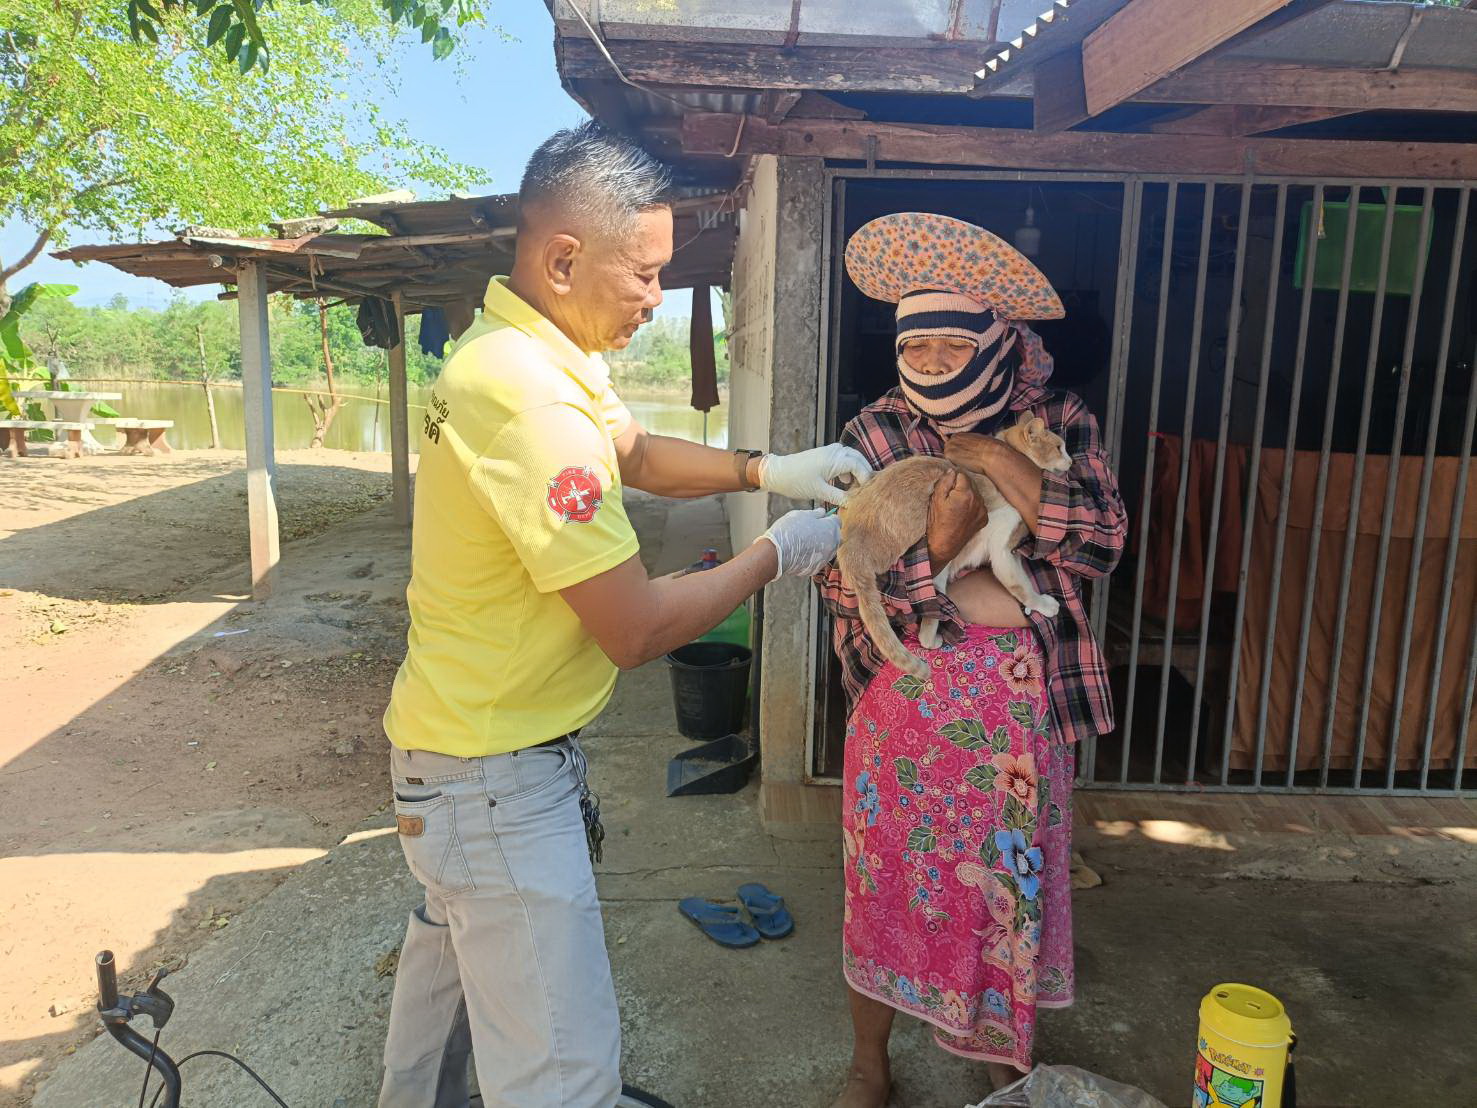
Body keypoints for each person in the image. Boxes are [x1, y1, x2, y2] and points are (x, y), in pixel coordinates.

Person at [376, 121, 871, 1108]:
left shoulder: (525, 349)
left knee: (444, 1019)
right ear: (563, 259)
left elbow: (636, 453)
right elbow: (634, 628)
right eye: (643, 274)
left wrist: (766, 469)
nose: (656, 296)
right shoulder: (529, 400)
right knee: (561, 1076)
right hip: (493, 780)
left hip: (456, 755)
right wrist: (777, 553)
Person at [816, 212, 1127, 1106]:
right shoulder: (873, 433)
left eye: (956, 345)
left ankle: (999, 1059)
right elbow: (842, 583)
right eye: (916, 347)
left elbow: (1100, 543)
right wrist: (942, 552)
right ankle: (868, 1063)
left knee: (1007, 892)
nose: (933, 363)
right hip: (905, 700)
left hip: (1023, 714)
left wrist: (993, 455)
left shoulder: (1058, 419)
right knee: (885, 882)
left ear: (999, 343)